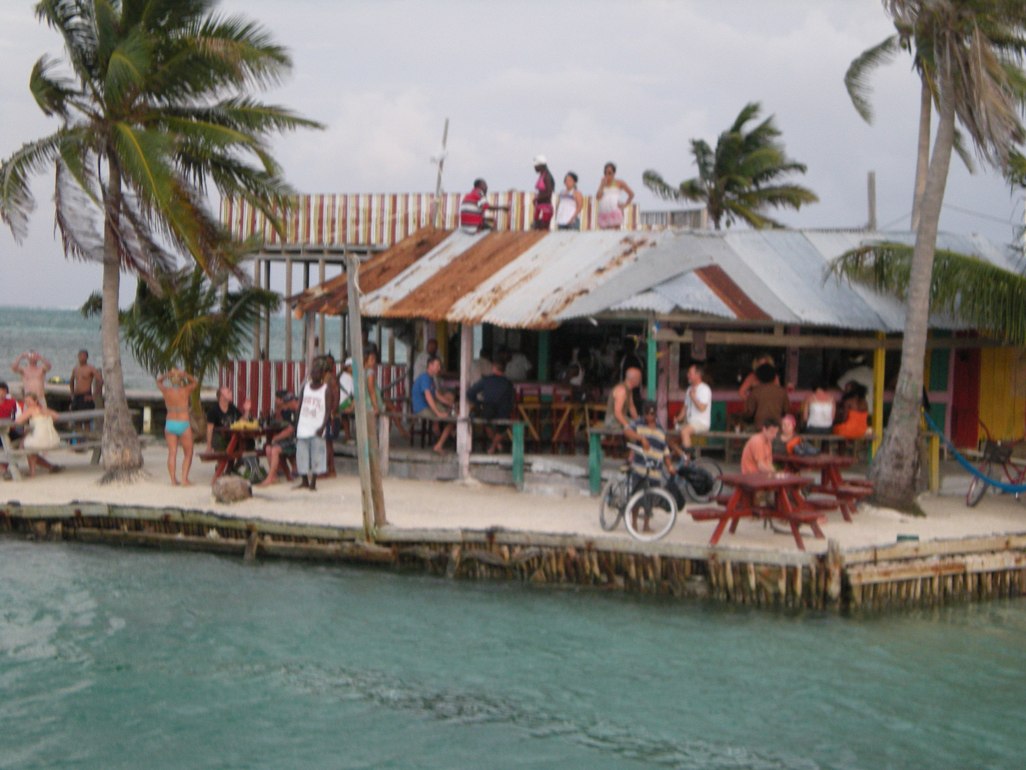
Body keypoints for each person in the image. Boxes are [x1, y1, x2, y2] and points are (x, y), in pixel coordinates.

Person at [623, 400, 675, 534]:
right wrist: (641, 438)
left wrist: (669, 466)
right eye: (647, 414)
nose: (649, 417)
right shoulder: (638, 424)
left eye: (651, 414)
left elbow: (666, 451)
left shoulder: (660, 430)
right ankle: (633, 522)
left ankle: (646, 524)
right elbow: (627, 431)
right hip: (639, 468)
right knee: (636, 497)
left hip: (655, 470)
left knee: (650, 499)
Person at [156, 369, 198, 486]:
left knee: (172, 453)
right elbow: (195, 382)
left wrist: (166, 375)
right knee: (188, 453)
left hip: (170, 423)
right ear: (180, 381)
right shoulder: (185, 390)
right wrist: (185, 374)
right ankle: (184, 479)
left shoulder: (166, 391)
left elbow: (158, 382)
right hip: (183, 423)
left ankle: (173, 480)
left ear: (171, 380)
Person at [294, 359, 330, 490]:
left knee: (317, 455)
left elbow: (328, 410)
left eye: (317, 372)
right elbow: (299, 407)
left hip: (317, 428)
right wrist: (296, 425)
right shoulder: (306, 387)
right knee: (301, 455)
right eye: (312, 372)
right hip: (303, 426)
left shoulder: (326, 389)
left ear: (322, 374)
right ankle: (304, 481)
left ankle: (313, 482)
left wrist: (323, 427)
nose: (314, 374)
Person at [467, 359, 515, 454]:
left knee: (486, 421)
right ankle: (494, 446)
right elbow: (511, 401)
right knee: (504, 427)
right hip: (502, 413)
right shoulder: (508, 383)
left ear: (493, 369)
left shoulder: (486, 380)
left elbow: (470, 393)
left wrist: (478, 403)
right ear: (504, 370)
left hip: (488, 412)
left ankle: (494, 446)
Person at [412, 355, 455, 453]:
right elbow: (428, 396)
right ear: (430, 365)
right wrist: (438, 413)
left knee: (451, 414)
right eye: (437, 365)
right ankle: (439, 444)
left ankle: (447, 435)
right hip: (421, 408)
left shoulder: (430, 379)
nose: (439, 368)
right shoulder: (424, 378)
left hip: (427, 406)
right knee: (451, 420)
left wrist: (449, 403)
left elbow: (437, 395)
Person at [14, 393, 61, 478]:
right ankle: (45, 468)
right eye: (26, 401)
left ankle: (31, 472)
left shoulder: (31, 410)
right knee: (27, 441)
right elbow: (57, 416)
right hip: (53, 440)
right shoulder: (45, 409)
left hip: (41, 440)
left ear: (35, 401)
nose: (27, 403)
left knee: (26, 445)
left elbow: (18, 421)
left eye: (29, 401)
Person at [258, 390, 299, 486]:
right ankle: (274, 476)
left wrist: (276, 438)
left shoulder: (296, 412)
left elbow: (290, 430)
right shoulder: (287, 411)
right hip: (289, 439)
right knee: (268, 448)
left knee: (275, 449)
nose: (287, 405)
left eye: (288, 403)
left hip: (296, 440)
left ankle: (270, 478)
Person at [675, 363, 712, 453]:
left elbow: (702, 408)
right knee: (670, 439)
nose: (688, 375)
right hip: (690, 423)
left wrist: (694, 397)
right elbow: (685, 408)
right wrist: (678, 419)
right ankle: (683, 456)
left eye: (690, 373)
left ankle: (688, 460)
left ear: (698, 375)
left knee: (685, 432)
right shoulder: (689, 389)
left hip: (701, 423)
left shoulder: (704, 389)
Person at [743, 362, 790, 429]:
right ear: (774, 376)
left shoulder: (755, 391)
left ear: (758, 377)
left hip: (759, 427)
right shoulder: (781, 391)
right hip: (777, 427)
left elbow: (749, 413)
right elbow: (786, 410)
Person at [595, 162, 634, 230]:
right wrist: (602, 185)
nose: (607, 175)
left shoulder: (619, 182)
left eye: (609, 173)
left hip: (614, 211)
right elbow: (598, 197)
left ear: (614, 173)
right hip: (603, 213)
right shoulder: (603, 183)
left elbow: (631, 194)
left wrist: (624, 205)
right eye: (605, 173)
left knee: (614, 233)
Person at [604, 366, 642, 432]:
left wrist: (638, 421)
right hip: (613, 422)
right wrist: (627, 425)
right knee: (636, 430)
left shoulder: (629, 390)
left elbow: (631, 407)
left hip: (620, 420)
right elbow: (617, 413)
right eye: (639, 378)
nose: (640, 380)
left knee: (640, 427)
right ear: (634, 379)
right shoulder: (622, 391)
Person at [206, 386, 241, 451]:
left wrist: (247, 411)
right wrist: (209, 446)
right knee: (221, 446)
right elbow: (209, 429)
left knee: (247, 443)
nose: (231, 393)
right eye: (228, 392)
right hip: (219, 438)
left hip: (232, 437)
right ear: (222, 396)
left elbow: (242, 420)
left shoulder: (232, 407)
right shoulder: (213, 410)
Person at [321, 353, 340, 479]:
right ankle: (330, 468)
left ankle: (330, 469)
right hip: (326, 414)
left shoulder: (330, 379)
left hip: (330, 415)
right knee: (327, 443)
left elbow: (336, 397)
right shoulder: (326, 378)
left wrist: (332, 413)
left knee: (327, 443)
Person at [532, 155, 555, 230]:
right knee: (537, 227)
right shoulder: (543, 175)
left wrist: (537, 198)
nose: (534, 168)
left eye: (536, 166)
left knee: (542, 228)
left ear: (541, 165)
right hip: (541, 206)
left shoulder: (547, 176)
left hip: (545, 207)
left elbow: (548, 193)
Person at [338, 357, 355, 441]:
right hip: (343, 403)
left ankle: (347, 436)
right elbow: (354, 394)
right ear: (348, 367)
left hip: (340, 402)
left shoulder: (343, 376)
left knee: (345, 417)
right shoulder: (348, 378)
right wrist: (352, 406)